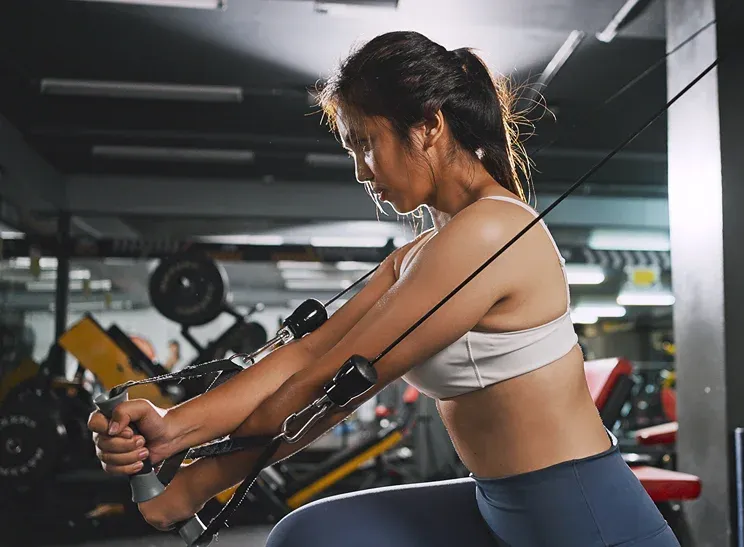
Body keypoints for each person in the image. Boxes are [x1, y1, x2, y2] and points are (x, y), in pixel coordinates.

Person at [86, 31, 679, 547]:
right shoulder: (420, 254)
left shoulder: (496, 230)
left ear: (427, 126)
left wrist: (195, 482)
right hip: (497, 505)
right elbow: (303, 354)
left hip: (582, 517)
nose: (361, 172)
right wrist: (172, 426)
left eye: (365, 143)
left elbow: (336, 383)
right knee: (312, 536)